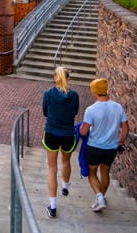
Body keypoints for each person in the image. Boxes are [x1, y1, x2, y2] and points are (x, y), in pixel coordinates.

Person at [79, 78, 129, 212]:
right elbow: (125, 128)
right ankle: (101, 199)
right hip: (111, 148)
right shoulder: (118, 107)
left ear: (95, 91)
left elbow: (83, 131)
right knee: (105, 172)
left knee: (92, 173)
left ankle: (100, 198)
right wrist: (121, 141)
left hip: (94, 147)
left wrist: (80, 129)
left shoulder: (91, 110)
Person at [42, 66, 80, 218]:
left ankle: (52, 206)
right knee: (66, 161)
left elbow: (45, 112)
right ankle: (65, 186)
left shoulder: (48, 94)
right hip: (68, 134)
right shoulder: (75, 96)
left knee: (52, 168)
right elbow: (76, 111)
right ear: (68, 78)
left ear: (55, 77)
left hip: (51, 132)